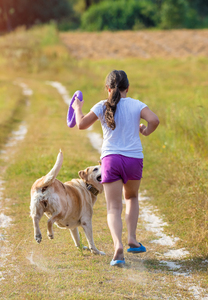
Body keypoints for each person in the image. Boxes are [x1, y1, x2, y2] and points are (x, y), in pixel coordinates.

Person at [71, 70, 160, 266]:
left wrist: (77, 107)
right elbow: (154, 120)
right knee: (132, 198)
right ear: (127, 88)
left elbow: (81, 125)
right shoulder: (137, 105)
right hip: (133, 159)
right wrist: (145, 131)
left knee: (113, 207)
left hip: (111, 160)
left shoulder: (102, 106)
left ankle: (118, 246)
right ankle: (132, 239)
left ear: (108, 89)